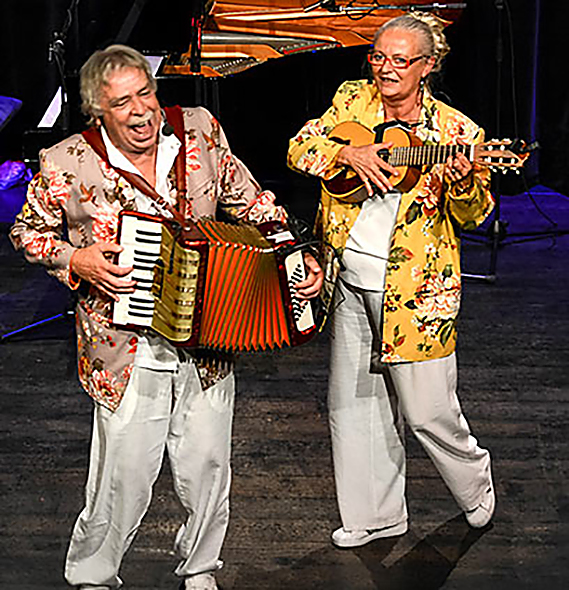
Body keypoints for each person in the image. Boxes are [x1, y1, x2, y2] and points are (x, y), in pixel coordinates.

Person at [10, 44, 322, 589]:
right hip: (123, 345)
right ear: (98, 112)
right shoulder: (66, 162)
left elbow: (254, 205)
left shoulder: (199, 130)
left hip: (209, 335)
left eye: (146, 94)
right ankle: (93, 574)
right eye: (122, 102)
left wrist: (296, 256)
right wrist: (78, 260)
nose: (140, 111)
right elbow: (27, 233)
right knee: (124, 475)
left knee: (207, 468)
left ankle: (200, 568)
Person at [287, 12, 496, 548]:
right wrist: (345, 152)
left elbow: (475, 214)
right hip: (347, 276)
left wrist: (462, 184)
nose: (386, 69)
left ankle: (474, 483)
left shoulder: (456, 133)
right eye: (379, 57)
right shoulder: (352, 101)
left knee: (428, 411)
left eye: (400, 60)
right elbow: (299, 148)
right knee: (354, 404)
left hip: (417, 290)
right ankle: (376, 516)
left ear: (428, 65)